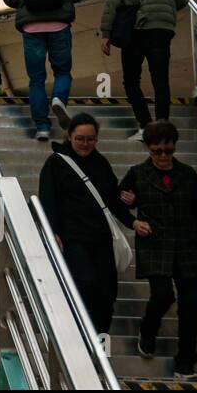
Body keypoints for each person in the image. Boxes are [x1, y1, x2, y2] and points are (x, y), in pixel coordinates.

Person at [118, 120, 197, 380]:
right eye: (157, 151)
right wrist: (133, 220)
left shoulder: (188, 174)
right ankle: (147, 330)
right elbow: (117, 201)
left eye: (168, 150)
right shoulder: (136, 173)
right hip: (154, 245)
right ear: (148, 149)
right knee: (163, 295)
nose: (163, 156)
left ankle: (185, 365)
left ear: (174, 147)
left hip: (188, 246)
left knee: (190, 305)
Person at [39, 113, 141, 336]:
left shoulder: (100, 162)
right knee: (85, 282)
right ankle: (78, 337)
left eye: (90, 139)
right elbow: (48, 199)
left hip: (101, 238)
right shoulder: (56, 163)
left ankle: (100, 345)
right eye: (80, 139)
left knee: (107, 293)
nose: (85, 144)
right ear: (70, 137)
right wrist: (52, 231)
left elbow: (112, 199)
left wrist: (132, 219)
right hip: (72, 237)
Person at [3, 0, 86, 141]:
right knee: (62, 71)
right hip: (59, 23)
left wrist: (26, 3)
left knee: (36, 79)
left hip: (31, 27)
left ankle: (42, 126)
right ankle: (58, 98)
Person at [100, 0, 187, 141]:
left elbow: (112, 2)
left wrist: (106, 33)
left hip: (135, 31)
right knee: (160, 80)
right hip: (162, 30)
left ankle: (145, 126)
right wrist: (162, 11)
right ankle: (163, 127)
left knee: (131, 80)